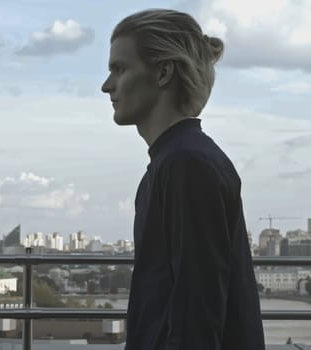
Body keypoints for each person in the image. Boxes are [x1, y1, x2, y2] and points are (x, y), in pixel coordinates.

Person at [101, 9, 265, 350]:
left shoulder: (186, 164)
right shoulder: (176, 161)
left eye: (119, 68)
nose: (107, 86)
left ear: (163, 72)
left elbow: (197, 307)